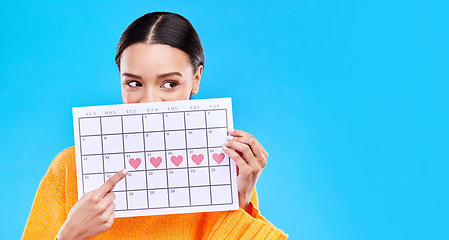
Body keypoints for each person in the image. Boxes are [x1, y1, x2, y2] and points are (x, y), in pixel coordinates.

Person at [22, 12, 288, 240]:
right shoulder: (69, 169)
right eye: (134, 83)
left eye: (169, 84)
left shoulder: (226, 167)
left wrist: (240, 197)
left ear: (196, 79)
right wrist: (68, 235)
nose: (149, 102)